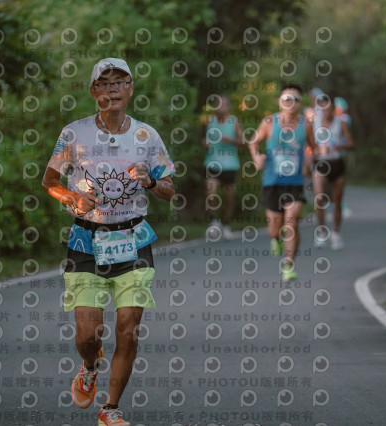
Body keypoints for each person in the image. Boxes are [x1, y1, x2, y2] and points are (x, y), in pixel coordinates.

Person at [42, 58, 175, 426]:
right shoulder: (74, 134)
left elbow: (169, 190)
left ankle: (111, 408)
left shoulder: (147, 136)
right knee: (88, 334)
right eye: (104, 83)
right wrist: (72, 197)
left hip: (134, 240)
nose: (113, 89)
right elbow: (50, 182)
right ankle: (89, 365)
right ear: (93, 92)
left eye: (120, 82)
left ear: (131, 89)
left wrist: (150, 181)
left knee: (128, 330)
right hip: (87, 240)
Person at [249, 84, 316, 281]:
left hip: (294, 182)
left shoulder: (306, 124)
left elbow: (313, 146)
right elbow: (253, 141)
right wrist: (257, 157)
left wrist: (310, 159)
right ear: (280, 101)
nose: (290, 103)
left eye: (295, 99)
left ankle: (288, 265)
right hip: (272, 182)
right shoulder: (269, 122)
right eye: (287, 99)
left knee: (292, 222)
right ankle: (275, 238)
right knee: (274, 228)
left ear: (300, 103)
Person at [308, 92, 354, 250]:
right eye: (324, 108)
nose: (326, 112)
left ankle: (336, 232)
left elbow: (351, 143)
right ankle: (321, 231)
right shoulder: (314, 123)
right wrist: (314, 151)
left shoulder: (340, 123)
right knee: (319, 198)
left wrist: (337, 146)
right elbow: (309, 143)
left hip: (336, 164)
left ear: (334, 109)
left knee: (337, 202)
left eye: (329, 109)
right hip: (320, 163)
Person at [201, 95, 243, 240]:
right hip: (212, 163)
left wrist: (230, 140)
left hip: (230, 164)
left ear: (228, 107)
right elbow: (203, 138)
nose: (221, 107)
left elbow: (243, 141)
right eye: (218, 104)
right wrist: (205, 143)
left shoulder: (233, 121)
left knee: (229, 198)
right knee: (211, 193)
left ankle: (226, 224)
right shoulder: (209, 121)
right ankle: (214, 221)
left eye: (224, 104)